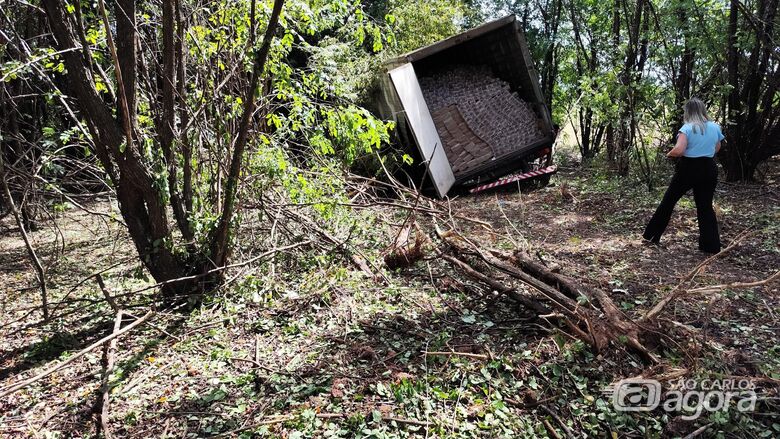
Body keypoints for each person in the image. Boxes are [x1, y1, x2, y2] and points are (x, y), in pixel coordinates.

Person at [643, 98, 723, 253]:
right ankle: (711, 246)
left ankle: (652, 236)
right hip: (708, 167)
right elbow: (717, 147)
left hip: (689, 168)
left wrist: (669, 154)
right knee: (705, 206)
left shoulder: (686, 128)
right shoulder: (715, 127)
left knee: (669, 201)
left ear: (688, 112)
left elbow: (679, 150)